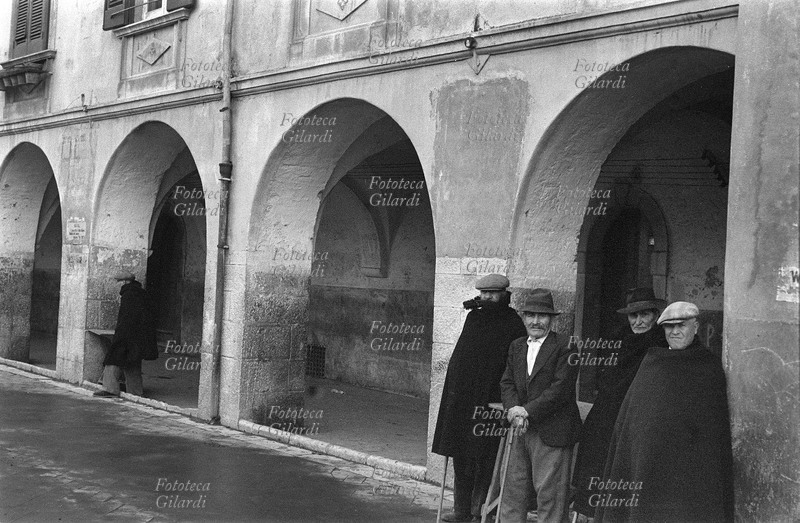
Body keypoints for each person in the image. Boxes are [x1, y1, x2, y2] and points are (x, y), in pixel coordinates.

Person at [595, 301, 734, 522]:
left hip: (691, 465)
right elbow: (633, 417)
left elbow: (713, 425)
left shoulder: (708, 366)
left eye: (681, 325)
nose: (675, 332)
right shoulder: (652, 362)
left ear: (696, 327)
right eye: (669, 326)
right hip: (650, 462)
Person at [432, 274, 527, 522]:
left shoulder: (513, 323)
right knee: (460, 454)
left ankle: (480, 512)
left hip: (490, 403)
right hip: (464, 401)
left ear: (504, 294)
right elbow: (461, 358)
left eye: (492, 293)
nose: (487, 297)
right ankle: (461, 510)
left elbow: (514, 367)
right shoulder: (473, 318)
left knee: (486, 457)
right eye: (484, 293)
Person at [571, 287, 667, 519]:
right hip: (606, 415)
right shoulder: (619, 340)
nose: (638, 321)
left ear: (655, 316)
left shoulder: (660, 346)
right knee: (597, 464)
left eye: (645, 314)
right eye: (633, 315)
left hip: (636, 419)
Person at [499, 288, 582, 523]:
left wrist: (526, 411)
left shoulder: (566, 346)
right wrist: (514, 411)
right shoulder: (516, 346)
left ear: (552, 319)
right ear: (524, 318)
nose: (536, 321)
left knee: (550, 496)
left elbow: (560, 389)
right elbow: (507, 382)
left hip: (552, 431)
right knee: (512, 492)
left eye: (542, 316)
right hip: (520, 428)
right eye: (531, 315)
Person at [93, 272, 156, 398]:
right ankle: (135, 392)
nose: (117, 285)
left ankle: (110, 389)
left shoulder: (129, 295)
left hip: (127, 334)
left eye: (118, 282)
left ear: (125, 282)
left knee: (113, 359)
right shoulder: (140, 293)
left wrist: (120, 335)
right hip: (138, 335)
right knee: (132, 361)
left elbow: (127, 318)